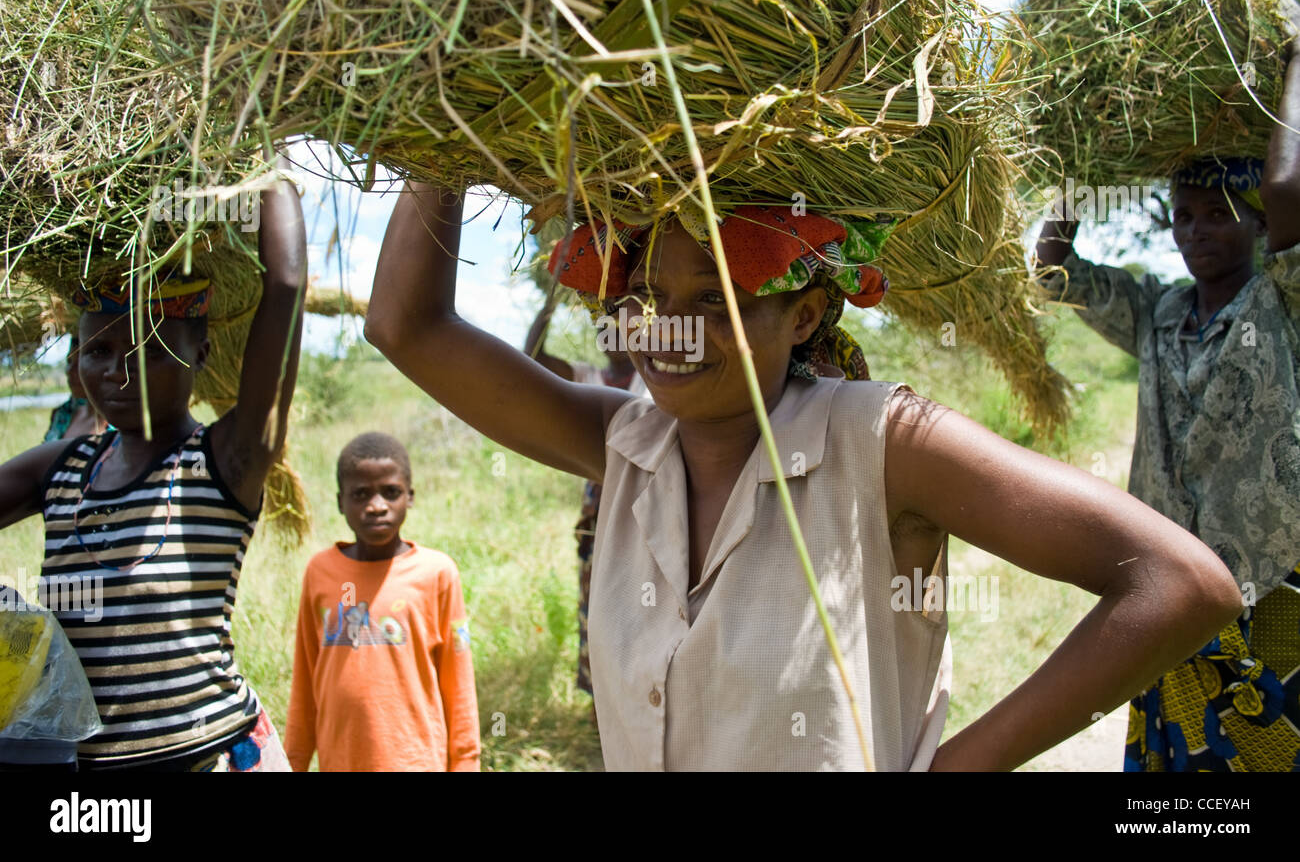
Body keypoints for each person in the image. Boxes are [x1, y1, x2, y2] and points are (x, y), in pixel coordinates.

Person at [366, 183, 1242, 771]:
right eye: (648, 300)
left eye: (716, 301)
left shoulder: (879, 438)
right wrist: (444, 141)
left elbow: (1180, 584)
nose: (668, 333)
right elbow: (405, 326)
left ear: (806, 313)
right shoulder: (622, 444)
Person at [1035, 30, 1300, 772]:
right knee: (1177, 771)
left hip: (1277, 583)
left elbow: (1287, 191)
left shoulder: (1283, 301)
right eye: (1183, 216)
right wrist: (1077, 166)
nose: (1195, 232)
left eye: (1217, 213)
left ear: (1254, 222)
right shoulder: (1156, 310)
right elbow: (1053, 271)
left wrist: (1297, 59)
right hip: (1171, 580)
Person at [0, 174, 307, 771]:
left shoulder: (224, 460)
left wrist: (270, 180)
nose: (119, 372)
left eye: (150, 348)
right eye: (99, 352)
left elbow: (286, 290)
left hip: (210, 756)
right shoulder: (61, 470)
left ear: (201, 353)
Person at [284, 431, 480, 772]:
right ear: (340, 501)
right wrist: (293, 763)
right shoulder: (321, 572)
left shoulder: (437, 574)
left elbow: (458, 683)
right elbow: (305, 679)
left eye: (391, 493)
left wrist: (466, 762)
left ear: (410, 496)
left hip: (416, 763)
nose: (377, 506)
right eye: (361, 494)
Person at [524, 297, 644, 700]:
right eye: (603, 328)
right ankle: (604, 706)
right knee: (600, 606)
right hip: (600, 518)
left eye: (620, 326)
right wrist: (550, 299)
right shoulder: (584, 379)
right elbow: (533, 358)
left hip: (650, 509)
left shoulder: (659, 376)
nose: (611, 335)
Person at [42, 335, 107, 443]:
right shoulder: (62, 414)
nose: (70, 370)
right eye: (69, 361)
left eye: (80, 363)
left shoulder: (119, 424)